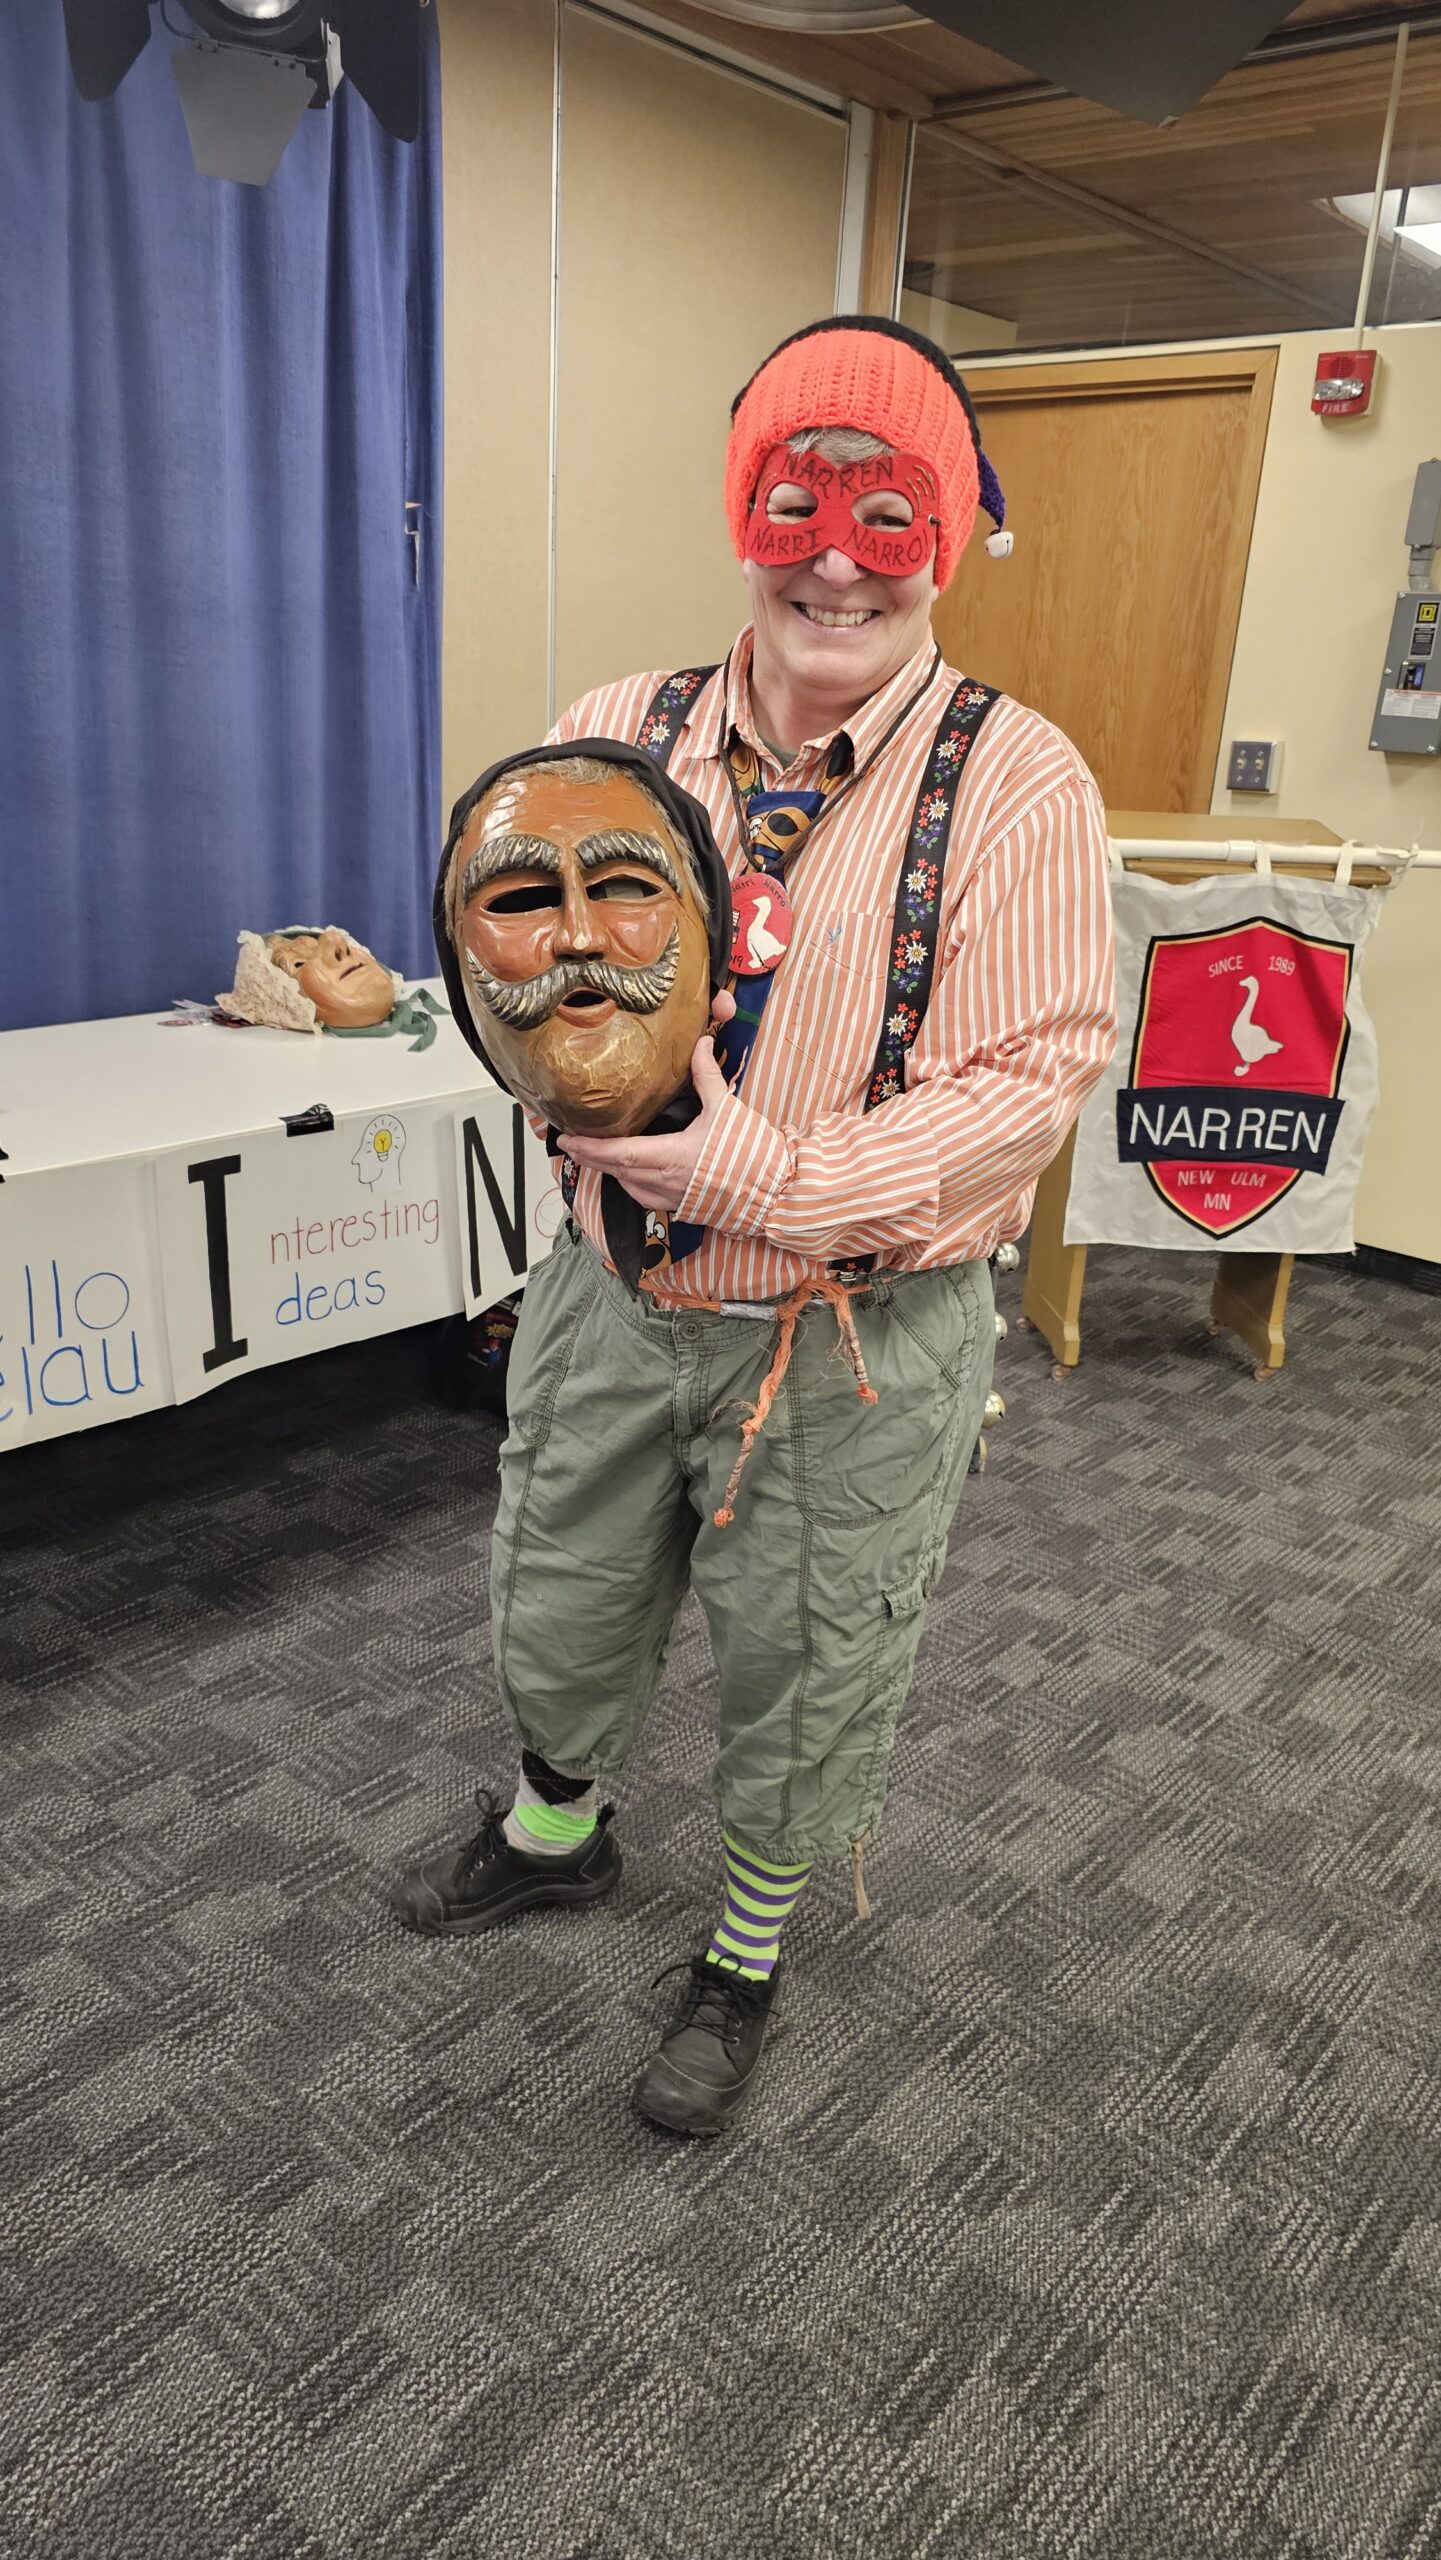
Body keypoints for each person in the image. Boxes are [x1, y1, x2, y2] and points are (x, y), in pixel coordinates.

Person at [393, 315, 1117, 2138]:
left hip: (850, 1342)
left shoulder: (1018, 781)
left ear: (948, 536)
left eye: (888, 515)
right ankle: (553, 1831)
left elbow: (1022, 1088)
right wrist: (544, 1060)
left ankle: (745, 1945)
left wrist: (760, 1176)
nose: (833, 563)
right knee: (554, 1602)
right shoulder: (608, 732)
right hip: (607, 1299)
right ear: (743, 513)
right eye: (795, 505)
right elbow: (512, 950)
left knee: (811, 1659)